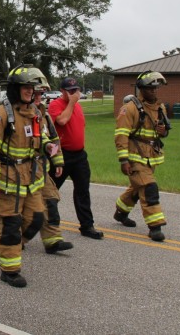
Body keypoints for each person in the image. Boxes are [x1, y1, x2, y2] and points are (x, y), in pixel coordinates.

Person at [0, 65, 55, 287]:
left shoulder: (35, 113)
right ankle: (9, 270)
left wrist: (49, 146)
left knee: (36, 219)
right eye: (26, 87)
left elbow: (40, 138)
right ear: (15, 88)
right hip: (8, 180)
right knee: (12, 225)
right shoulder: (0, 116)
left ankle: (3, 242)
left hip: (31, 179)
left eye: (32, 87)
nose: (30, 91)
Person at [114, 70, 171, 242]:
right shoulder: (129, 109)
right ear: (141, 89)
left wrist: (163, 132)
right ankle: (155, 227)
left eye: (156, 88)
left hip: (151, 157)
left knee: (138, 187)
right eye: (150, 88)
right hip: (135, 157)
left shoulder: (160, 108)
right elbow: (121, 135)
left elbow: (163, 131)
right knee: (148, 188)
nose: (154, 91)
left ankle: (121, 212)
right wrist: (124, 160)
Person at [47, 77, 104, 240]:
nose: (75, 94)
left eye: (76, 91)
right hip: (60, 153)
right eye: (71, 91)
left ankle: (87, 225)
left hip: (79, 155)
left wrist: (73, 104)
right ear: (63, 91)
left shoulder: (78, 107)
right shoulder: (55, 104)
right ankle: (44, 224)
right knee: (50, 191)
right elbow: (62, 121)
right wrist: (71, 103)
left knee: (83, 191)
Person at [33, 84, 74, 253]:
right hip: (21, 171)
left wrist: (58, 162)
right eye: (34, 94)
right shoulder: (17, 115)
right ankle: (9, 240)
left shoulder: (45, 116)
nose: (37, 98)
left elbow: (54, 139)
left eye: (40, 94)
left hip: (41, 169)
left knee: (51, 200)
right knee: (25, 210)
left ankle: (52, 240)